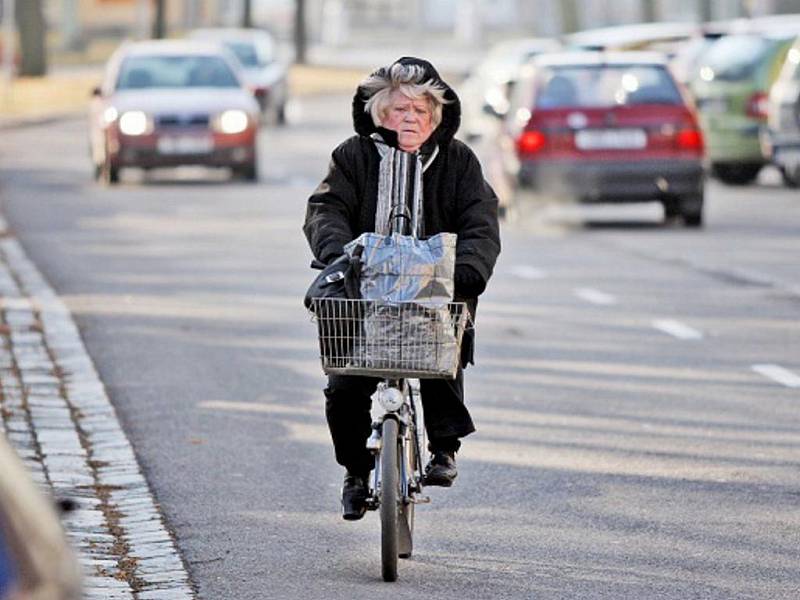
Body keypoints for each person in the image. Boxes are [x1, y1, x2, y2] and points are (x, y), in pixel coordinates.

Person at [303, 57, 501, 520]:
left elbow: (480, 222)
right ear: (377, 113)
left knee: (441, 352)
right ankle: (354, 472)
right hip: (363, 293)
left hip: (435, 293)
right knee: (345, 387)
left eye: (421, 110)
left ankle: (444, 450)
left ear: (437, 116)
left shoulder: (458, 161)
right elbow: (325, 209)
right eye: (399, 109)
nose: (411, 118)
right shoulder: (351, 157)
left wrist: (468, 268)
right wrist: (338, 253)